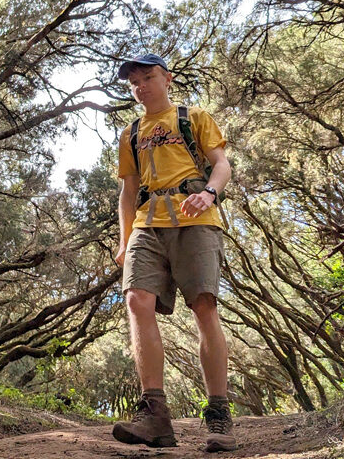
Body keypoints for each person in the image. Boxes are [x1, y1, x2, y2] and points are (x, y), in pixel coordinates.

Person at [110, 53, 237, 452]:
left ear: (166, 78)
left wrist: (209, 193)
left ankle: (219, 416)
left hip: (196, 221)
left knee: (203, 305)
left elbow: (222, 164)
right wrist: (124, 239)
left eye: (147, 77)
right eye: (134, 82)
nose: (141, 86)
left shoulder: (193, 117)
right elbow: (128, 192)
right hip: (148, 224)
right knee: (136, 300)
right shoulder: (130, 133)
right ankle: (154, 416)